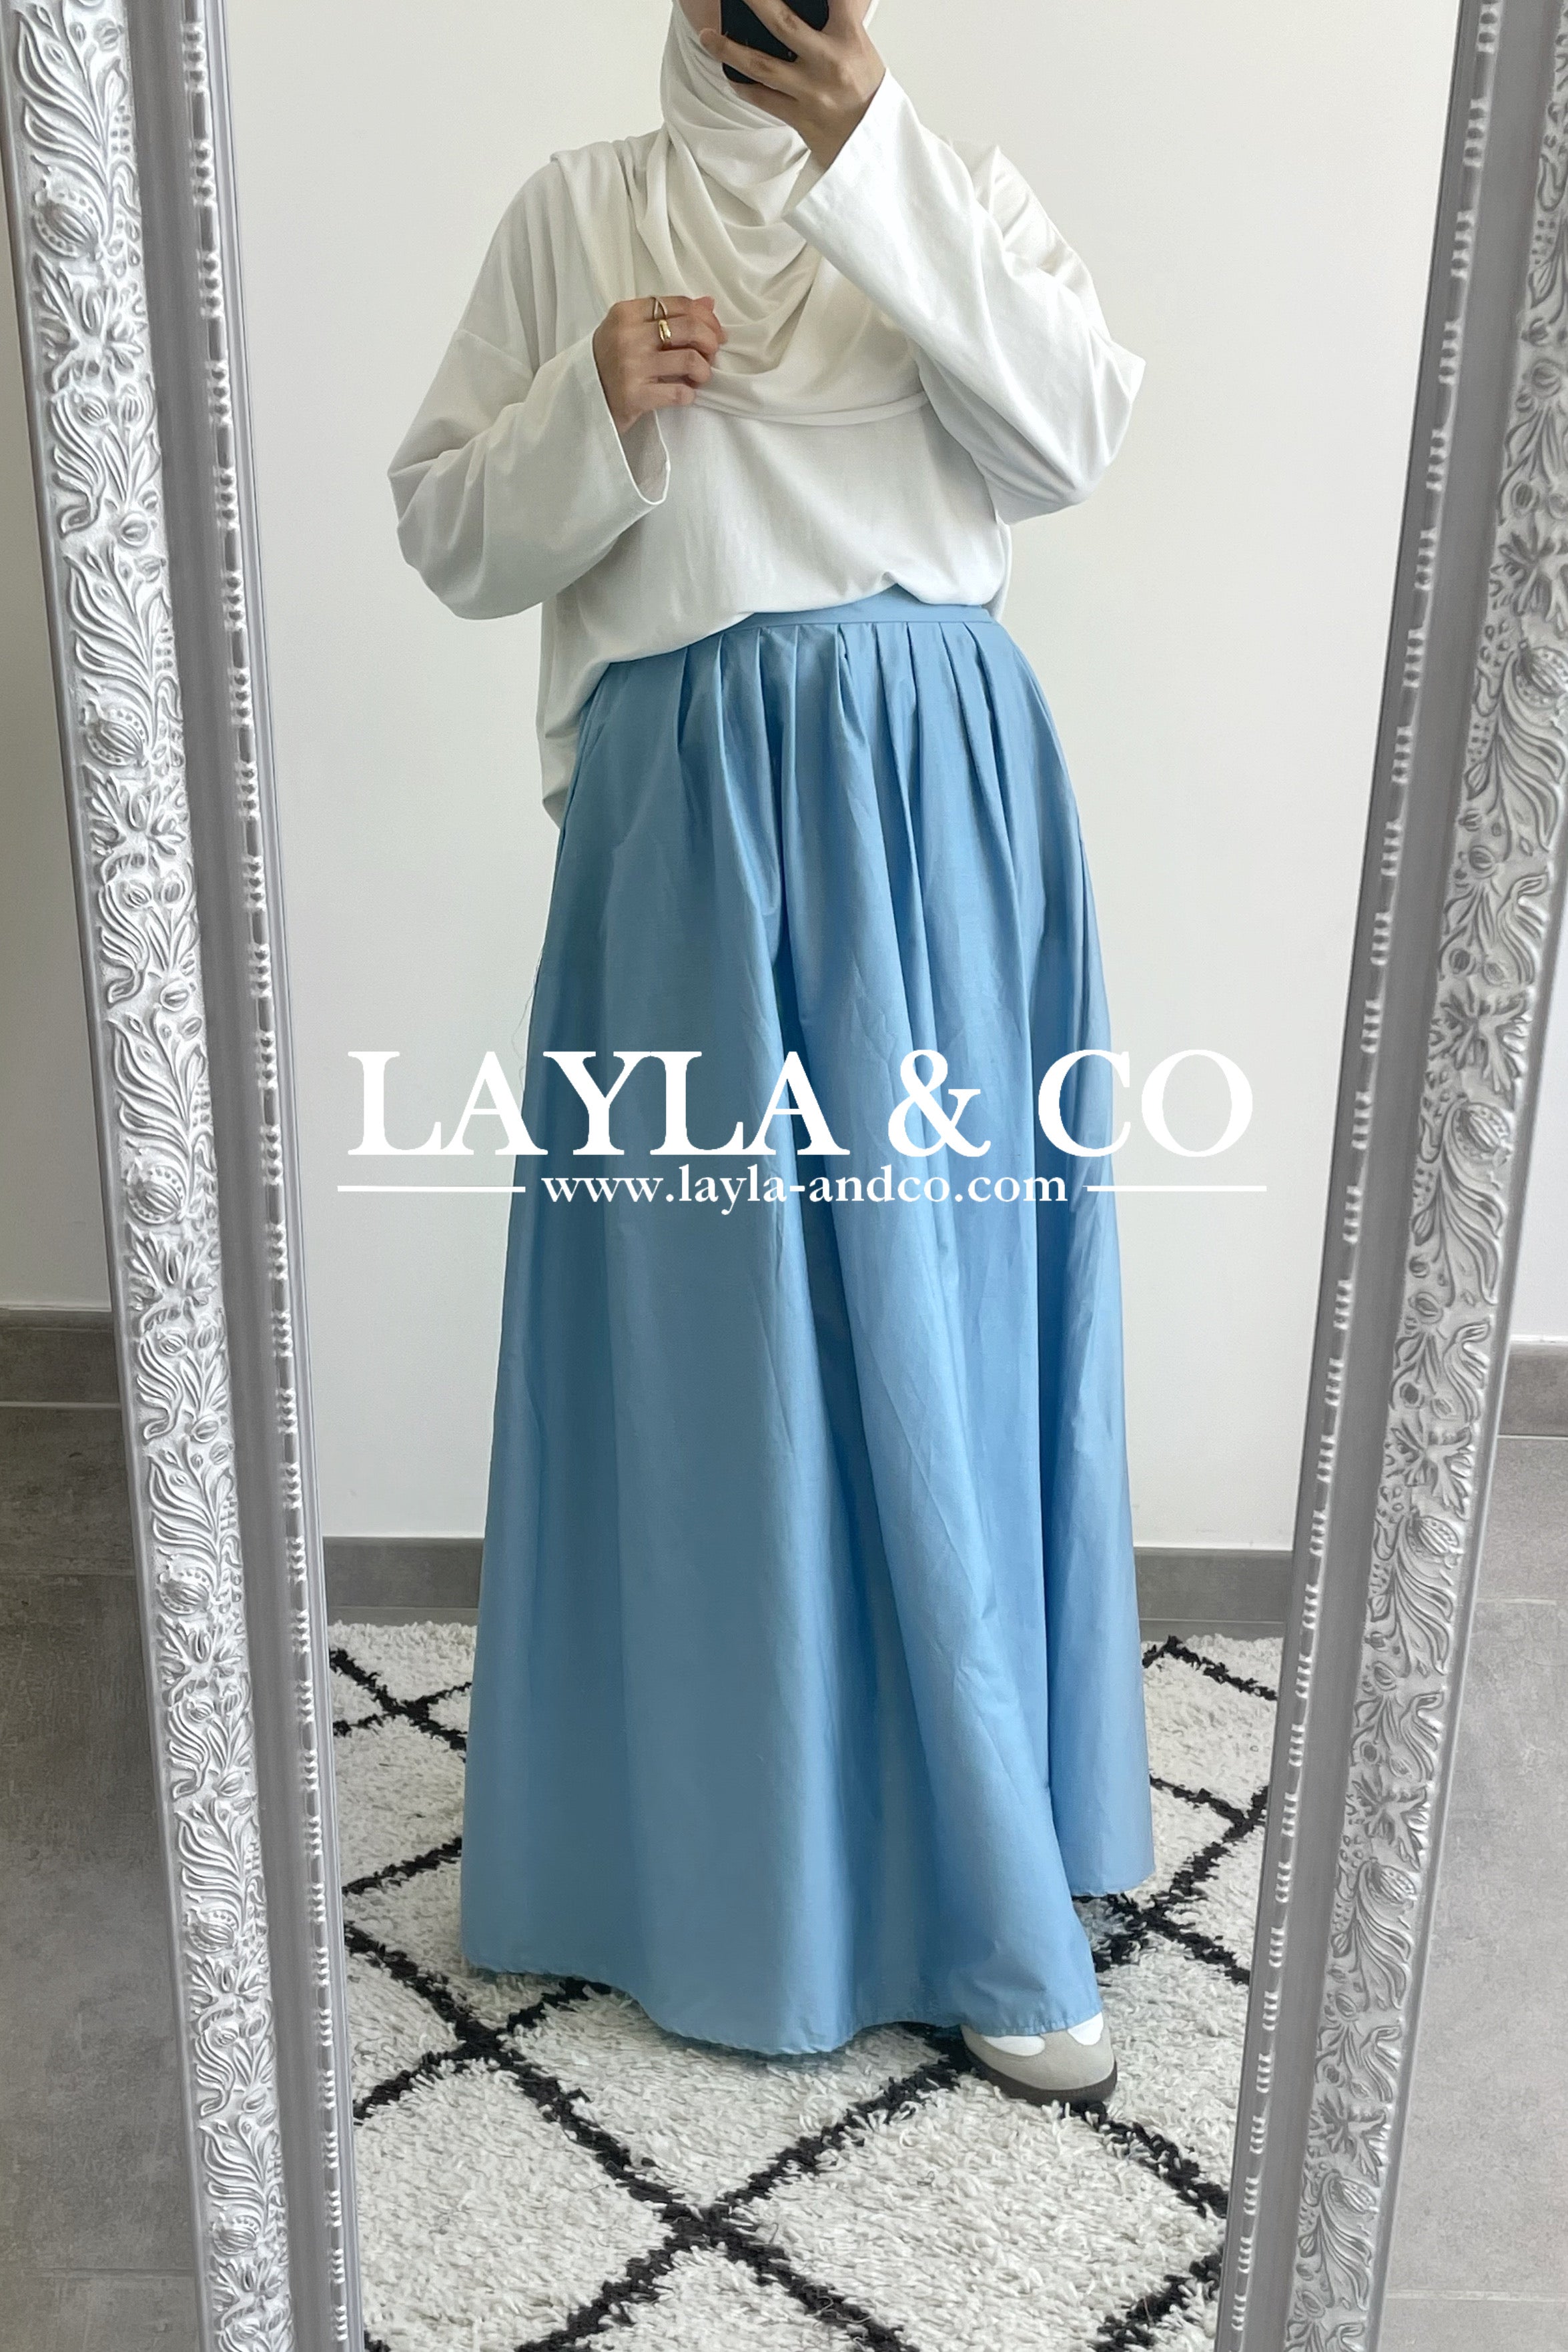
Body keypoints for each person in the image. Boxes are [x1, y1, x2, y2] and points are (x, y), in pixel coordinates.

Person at [388, 0, 1155, 2108]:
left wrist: (876, 156)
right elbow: (444, 528)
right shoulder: (577, 214)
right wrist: (590, 410)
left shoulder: (953, 193)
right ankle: (718, 1869)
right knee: (709, 1329)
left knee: (942, 1311)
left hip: (939, 816)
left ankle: (983, 1872)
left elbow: (1073, 433)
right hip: (689, 827)